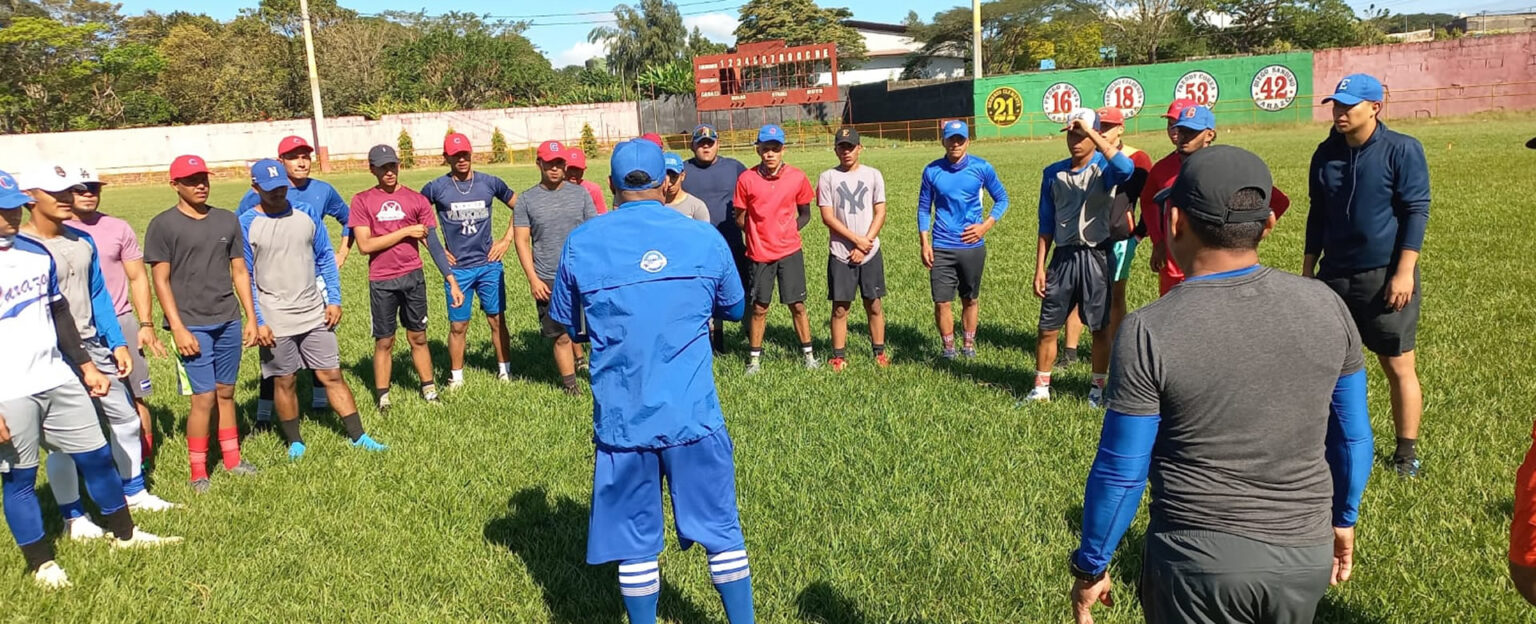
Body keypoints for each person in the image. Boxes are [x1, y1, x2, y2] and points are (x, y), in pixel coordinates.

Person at [1069, 145, 1373, 624]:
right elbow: (1352, 437)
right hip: (1304, 554)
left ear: (1174, 222)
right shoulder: (1327, 305)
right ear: (1268, 225)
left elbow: (1121, 471)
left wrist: (1091, 566)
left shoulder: (1150, 328)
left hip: (1196, 564)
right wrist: (1344, 518)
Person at [549, 138, 755, 624]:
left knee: (634, 541)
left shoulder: (583, 242)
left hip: (624, 425)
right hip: (694, 416)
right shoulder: (704, 237)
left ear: (613, 184)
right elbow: (735, 308)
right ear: (666, 181)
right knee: (722, 531)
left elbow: (566, 322)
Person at [0, 168, 180, 590]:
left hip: (56, 374)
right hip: (9, 390)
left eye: (13, 208)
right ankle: (42, 563)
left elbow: (59, 311)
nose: (10, 217)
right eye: (1, 210)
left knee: (97, 455)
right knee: (21, 477)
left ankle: (125, 534)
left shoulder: (34, 252)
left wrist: (84, 366)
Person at [1305, 73, 1431, 478]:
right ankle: (1327, 444)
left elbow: (1416, 211)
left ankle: (1405, 453)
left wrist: (1404, 272)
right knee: (1327, 366)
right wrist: (1308, 271)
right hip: (1334, 276)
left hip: (1384, 276)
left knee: (1397, 365)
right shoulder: (1325, 153)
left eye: (1349, 106)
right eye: (1336, 105)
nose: (1339, 112)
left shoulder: (1402, 149)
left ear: (1375, 107)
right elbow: (1317, 214)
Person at [240, 160, 387, 459]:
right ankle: (295, 441)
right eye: (270, 190)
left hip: (313, 311)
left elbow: (325, 259)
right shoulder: (245, 224)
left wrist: (334, 299)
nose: (278, 193)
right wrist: (257, 319)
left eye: (282, 186)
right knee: (285, 379)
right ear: (255, 189)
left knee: (332, 374)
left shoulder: (306, 215)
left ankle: (358, 436)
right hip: (274, 317)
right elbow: (245, 276)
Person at [144, 155, 261, 494]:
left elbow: (239, 271)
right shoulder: (163, 225)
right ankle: (198, 471)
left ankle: (232, 459)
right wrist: (177, 327)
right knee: (203, 397)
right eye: (191, 179)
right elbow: (160, 281)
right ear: (175, 185)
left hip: (227, 319)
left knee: (227, 392)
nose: (200, 185)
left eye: (204, 178)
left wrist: (251, 317)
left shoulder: (226, 220)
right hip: (192, 324)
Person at [239, 136, 354, 420]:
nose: (301, 161)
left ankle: (319, 402)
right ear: (281, 162)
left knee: (321, 345)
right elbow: (240, 244)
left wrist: (342, 252)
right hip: (274, 287)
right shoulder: (253, 200)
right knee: (275, 359)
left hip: (313, 280)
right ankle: (264, 414)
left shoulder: (322, 191)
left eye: (305, 155)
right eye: (293, 156)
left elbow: (349, 219)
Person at [1025, 109, 1133, 406]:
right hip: (1062, 258)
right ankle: (1041, 388)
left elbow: (1126, 169)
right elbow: (1045, 223)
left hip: (1096, 256)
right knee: (1048, 327)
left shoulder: (1104, 167)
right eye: (1072, 133)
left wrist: (1094, 133)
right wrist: (1040, 268)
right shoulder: (1052, 173)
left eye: (1082, 134)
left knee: (1099, 328)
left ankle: (1097, 391)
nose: (1075, 140)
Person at [65, 166, 165, 464]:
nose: (88, 194)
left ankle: (143, 459)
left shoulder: (117, 228)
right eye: (80, 188)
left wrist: (145, 324)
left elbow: (137, 277)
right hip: (76, 327)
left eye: (93, 188)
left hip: (121, 321)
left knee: (135, 394)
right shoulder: (58, 232)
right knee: (86, 401)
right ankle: (100, 463)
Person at [351, 145, 461, 412]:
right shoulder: (362, 200)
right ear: (372, 170)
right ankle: (383, 397)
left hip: (413, 277)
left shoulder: (416, 200)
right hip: (382, 280)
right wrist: (405, 231)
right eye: (383, 167)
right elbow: (365, 245)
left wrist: (451, 279)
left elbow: (432, 243)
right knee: (385, 340)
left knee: (418, 337)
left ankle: (429, 390)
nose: (389, 172)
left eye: (393, 166)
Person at [1143, 105, 1291, 295]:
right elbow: (1148, 201)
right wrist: (1158, 241)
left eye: (1192, 132)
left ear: (1209, 135)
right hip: (1174, 268)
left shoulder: (1226, 167)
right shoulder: (1162, 169)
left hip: (1217, 269)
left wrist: (1248, 234)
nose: (1183, 137)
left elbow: (1279, 201)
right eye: (1180, 130)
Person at [1058, 108, 1154, 370]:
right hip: (1085, 239)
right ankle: (1070, 352)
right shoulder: (1089, 153)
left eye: (1108, 126)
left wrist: (1140, 233)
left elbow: (1149, 198)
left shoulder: (1137, 157)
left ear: (1121, 128)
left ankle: (1117, 348)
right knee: (1077, 294)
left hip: (1120, 236)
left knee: (1114, 296)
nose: (1102, 131)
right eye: (1099, 126)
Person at [420, 132, 517, 387]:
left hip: (488, 266)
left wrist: (506, 240)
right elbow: (416, 216)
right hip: (458, 270)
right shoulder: (436, 188)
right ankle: (457, 377)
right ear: (446, 158)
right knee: (458, 325)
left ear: (471, 154)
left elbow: (522, 207)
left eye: (465, 154)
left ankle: (505, 371)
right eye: (455, 156)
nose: (461, 159)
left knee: (497, 320)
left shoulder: (490, 182)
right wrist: (437, 249)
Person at [918, 120, 1009, 359]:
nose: (955, 144)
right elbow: (923, 209)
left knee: (970, 298)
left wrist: (985, 226)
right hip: (942, 245)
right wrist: (924, 242)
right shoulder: (932, 171)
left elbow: (1002, 199)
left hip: (972, 246)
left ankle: (968, 346)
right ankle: (949, 349)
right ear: (943, 141)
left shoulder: (982, 168)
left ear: (968, 141)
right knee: (942, 301)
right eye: (951, 139)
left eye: (960, 140)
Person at [513, 141, 598, 395]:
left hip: (582, 275)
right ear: (539, 164)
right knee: (560, 335)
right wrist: (533, 279)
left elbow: (593, 233)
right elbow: (521, 241)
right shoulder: (527, 200)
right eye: (549, 163)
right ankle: (570, 385)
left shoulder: (580, 194)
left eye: (559, 163)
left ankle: (601, 377)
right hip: (549, 277)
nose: (555, 168)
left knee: (595, 331)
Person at [734, 124, 817, 374]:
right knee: (760, 307)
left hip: (790, 251)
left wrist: (788, 230)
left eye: (775, 149)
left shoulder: (797, 177)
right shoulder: (746, 179)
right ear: (758, 149)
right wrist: (757, 235)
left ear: (783, 150)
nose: (770, 153)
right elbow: (740, 216)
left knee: (798, 305)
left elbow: (805, 213)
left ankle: (809, 356)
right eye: (766, 148)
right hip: (760, 255)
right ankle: (754, 361)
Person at [817, 127, 889, 371]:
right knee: (840, 307)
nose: (846, 151)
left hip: (870, 251)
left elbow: (880, 211)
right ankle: (838, 355)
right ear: (836, 149)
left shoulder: (873, 175)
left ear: (860, 148)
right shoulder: (827, 177)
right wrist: (855, 241)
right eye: (842, 147)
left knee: (874, 303)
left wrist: (866, 242)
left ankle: (879, 352)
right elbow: (827, 216)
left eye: (851, 146)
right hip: (841, 252)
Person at [682, 124, 749, 354]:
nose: (706, 147)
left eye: (710, 143)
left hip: (731, 242)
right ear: (693, 146)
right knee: (702, 294)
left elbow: (752, 193)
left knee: (741, 288)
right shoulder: (682, 171)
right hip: (696, 248)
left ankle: (750, 334)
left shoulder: (735, 168)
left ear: (718, 144)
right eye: (701, 143)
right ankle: (709, 341)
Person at [662, 153, 710, 221]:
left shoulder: (696, 206)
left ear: (682, 176)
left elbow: (705, 231)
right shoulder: (655, 205)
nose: (669, 183)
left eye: (674, 177)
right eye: (664, 177)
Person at [565, 148, 609, 215]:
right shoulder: (555, 189)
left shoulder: (593, 190)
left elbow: (602, 215)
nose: (573, 173)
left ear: (584, 169)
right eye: (570, 169)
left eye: (577, 169)